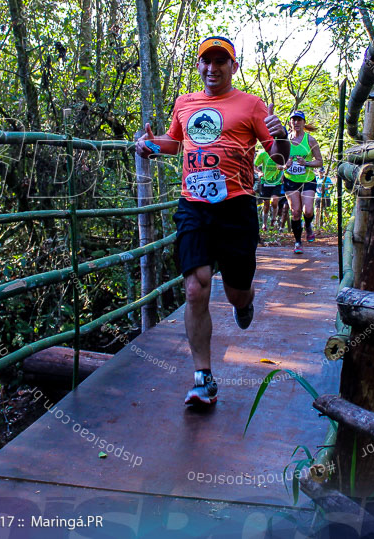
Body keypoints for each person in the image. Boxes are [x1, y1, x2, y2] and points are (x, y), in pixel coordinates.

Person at [135, 36, 288, 407]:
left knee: (236, 290)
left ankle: (244, 300)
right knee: (195, 288)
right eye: (207, 61)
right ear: (199, 65)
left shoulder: (251, 105)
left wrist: (280, 134)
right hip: (194, 207)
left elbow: (279, 158)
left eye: (221, 62)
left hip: (236, 208)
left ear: (233, 67)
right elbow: (175, 142)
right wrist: (150, 145)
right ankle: (203, 379)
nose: (212, 68)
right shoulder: (185, 103)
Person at [282, 111, 323, 254]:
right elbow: (276, 163)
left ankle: (308, 225)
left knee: (308, 210)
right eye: (294, 120)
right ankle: (298, 242)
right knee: (296, 212)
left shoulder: (310, 140)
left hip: (307, 180)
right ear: (290, 123)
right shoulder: (284, 141)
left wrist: (306, 163)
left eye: (299, 120)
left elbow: (319, 162)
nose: (296, 123)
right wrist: (284, 165)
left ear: (304, 123)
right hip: (290, 180)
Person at [254, 146, 284, 232]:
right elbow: (254, 166)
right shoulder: (262, 154)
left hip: (276, 181)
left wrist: (282, 167)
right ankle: (264, 223)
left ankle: (273, 219)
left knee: (274, 201)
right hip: (265, 181)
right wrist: (259, 172)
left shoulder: (281, 153)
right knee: (266, 204)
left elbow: (286, 165)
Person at [314, 168, 333, 232]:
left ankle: (329, 224)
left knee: (325, 211)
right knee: (317, 210)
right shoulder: (316, 178)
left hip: (325, 196)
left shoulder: (326, 179)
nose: (321, 173)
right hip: (318, 196)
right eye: (320, 172)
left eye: (322, 172)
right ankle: (316, 225)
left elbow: (331, 185)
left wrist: (326, 188)